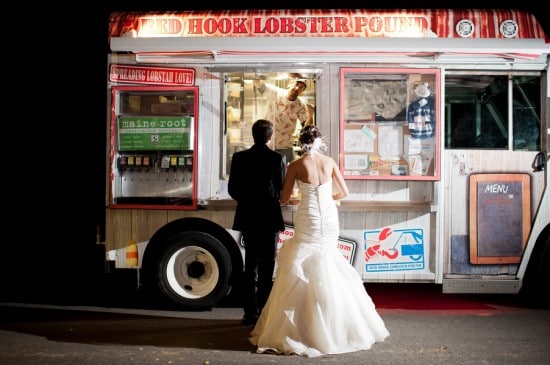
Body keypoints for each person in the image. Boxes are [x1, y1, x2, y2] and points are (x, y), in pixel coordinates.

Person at [249, 125, 390, 357]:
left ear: (300, 142)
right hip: (329, 216)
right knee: (329, 260)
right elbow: (344, 192)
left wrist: (295, 198)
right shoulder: (330, 162)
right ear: (319, 141)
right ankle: (336, 324)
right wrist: (329, 198)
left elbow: (284, 199)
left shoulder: (295, 165)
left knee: (305, 262)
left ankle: (305, 326)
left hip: (309, 216)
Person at [228, 119, 287, 326]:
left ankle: (249, 313)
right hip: (269, 217)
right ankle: (264, 312)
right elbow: (281, 188)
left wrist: (248, 200)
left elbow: (232, 190)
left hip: (248, 217)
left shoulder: (239, 157)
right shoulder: (278, 158)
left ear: (252, 136)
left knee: (250, 265)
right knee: (267, 266)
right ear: (270, 137)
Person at [253, 76, 315, 163]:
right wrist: (258, 73)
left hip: (285, 145)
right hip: (268, 143)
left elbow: (306, 127)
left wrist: (310, 116)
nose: (297, 88)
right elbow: (258, 84)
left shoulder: (300, 105)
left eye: (301, 87)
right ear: (289, 84)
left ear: (302, 92)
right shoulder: (275, 92)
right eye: (296, 84)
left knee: (288, 171)